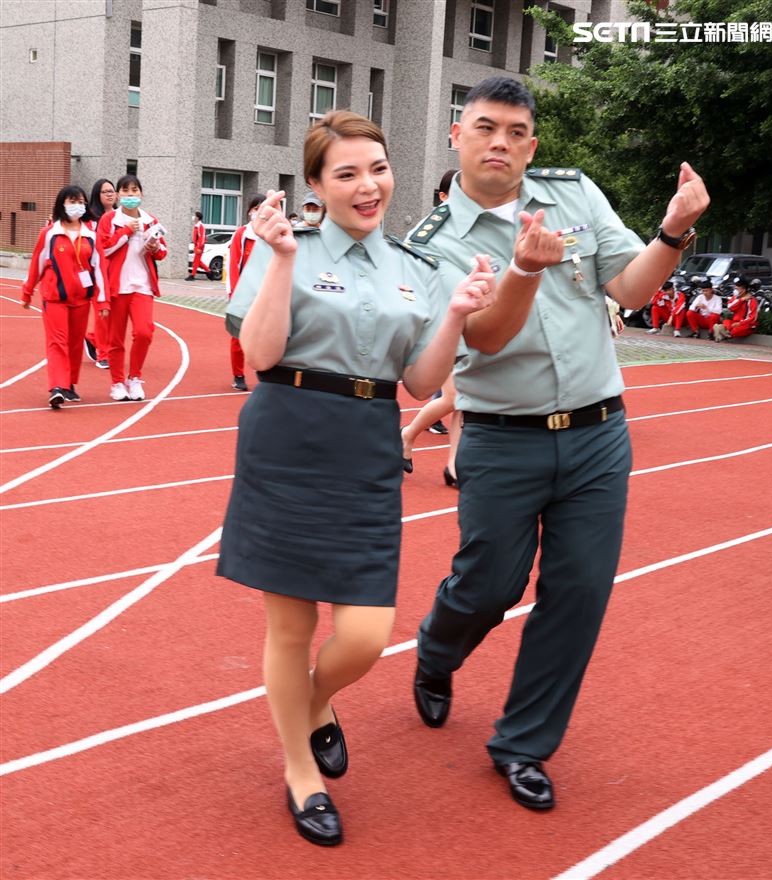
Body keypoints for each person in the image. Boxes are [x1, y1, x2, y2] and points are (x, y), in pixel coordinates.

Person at [408, 76, 709, 811]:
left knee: (577, 592)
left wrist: (673, 231)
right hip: (503, 442)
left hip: (598, 434)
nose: (500, 143)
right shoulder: (430, 243)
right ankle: (437, 651)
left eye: (515, 131)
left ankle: (524, 744)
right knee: (489, 586)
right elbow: (483, 336)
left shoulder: (573, 193)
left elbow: (632, 290)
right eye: (485, 128)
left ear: (532, 144)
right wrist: (522, 271)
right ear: (458, 135)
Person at [218, 110, 494, 847]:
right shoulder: (286, 247)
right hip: (287, 434)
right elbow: (260, 354)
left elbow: (420, 383)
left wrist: (458, 317)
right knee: (291, 623)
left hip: (368, 444)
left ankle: (312, 703)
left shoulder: (416, 269)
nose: (367, 185)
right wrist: (278, 260)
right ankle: (300, 771)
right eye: (346, 173)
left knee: (366, 634)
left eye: (376, 168)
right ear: (316, 185)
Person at [20, 185, 109, 408]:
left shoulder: (91, 236)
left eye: (80, 201)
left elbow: (99, 270)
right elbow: (37, 264)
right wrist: (27, 292)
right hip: (54, 298)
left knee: (74, 344)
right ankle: (57, 387)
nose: (77, 205)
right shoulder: (50, 233)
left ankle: (69, 384)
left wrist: (103, 301)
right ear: (62, 204)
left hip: (81, 299)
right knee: (57, 342)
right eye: (72, 201)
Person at [400, 169, 462, 485]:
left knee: (466, 399)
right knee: (455, 397)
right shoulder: (429, 232)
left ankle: (454, 465)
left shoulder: (469, 230)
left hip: (469, 325)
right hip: (442, 326)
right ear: (442, 196)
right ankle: (407, 435)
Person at [97, 174, 167, 401]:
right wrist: (126, 230)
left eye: (134, 191)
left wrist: (155, 247)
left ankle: (134, 377)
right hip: (117, 288)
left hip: (142, 287)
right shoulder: (109, 220)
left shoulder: (150, 220)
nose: (130, 195)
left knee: (144, 332)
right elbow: (103, 250)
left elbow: (162, 253)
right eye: (125, 192)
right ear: (118, 195)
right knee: (115, 339)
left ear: (141, 194)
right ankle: (117, 383)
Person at [225, 196, 263, 391]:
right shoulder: (242, 234)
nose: (258, 212)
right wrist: (234, 294)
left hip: (266, 294)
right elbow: (233, 264)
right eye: (255, 208)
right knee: (238, 336)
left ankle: (268, 374)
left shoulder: (273, 234)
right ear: (249, 211)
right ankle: (238, 375)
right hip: (244, 293)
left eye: (262, 208)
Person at [83, 178, 117, 369]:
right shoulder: (90, 221)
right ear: (97, 195)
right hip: (98, 275)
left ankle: (92, 338)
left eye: (112, 191)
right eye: (105, 191)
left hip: (119, 274)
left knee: (114, 317)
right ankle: (103, 355)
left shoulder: (122, 217)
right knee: (102, 314)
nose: (110, 194)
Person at [713, 276, 758, 341]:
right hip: (735, 322)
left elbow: (752, 318)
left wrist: (740, 323)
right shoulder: (736, 298)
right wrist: (741, 300)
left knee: (736, 329)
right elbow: (730, 307)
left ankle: (723, 334)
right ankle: (724, 333)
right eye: (735, 287)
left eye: (737, 288)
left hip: (747, 324)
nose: (735, 290)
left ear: (743, 290)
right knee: (726, 322)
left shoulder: (752, 300)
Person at [185, 211, 209, 280]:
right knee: (198, 262)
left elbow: (202, 237)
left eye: (195, 216)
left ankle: (192, 275)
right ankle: (209, 271)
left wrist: (199, 247)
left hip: (199, 246)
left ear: (197, 218)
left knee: (196, 262)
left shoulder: (200, 226)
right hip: (196, 246)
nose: (194, 217)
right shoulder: (197, 226)